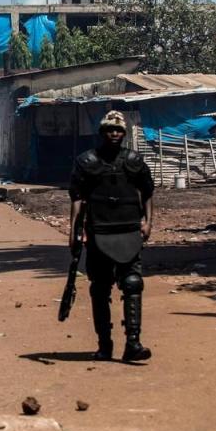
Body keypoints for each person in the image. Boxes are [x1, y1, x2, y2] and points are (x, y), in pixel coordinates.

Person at [69, 110, 155, 362]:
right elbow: (77, 198)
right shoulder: (87, 161)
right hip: (99, 233)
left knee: (132, 284)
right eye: (109, 130)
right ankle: (104, 345)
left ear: (124, 133)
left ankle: (133, 343)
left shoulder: (134, 161)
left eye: (118, 130)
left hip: (129, 231)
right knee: (100, 288)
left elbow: (148, 191)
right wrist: (74, 231)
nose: (114, 134)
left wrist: (148, 222)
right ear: (102, 132)